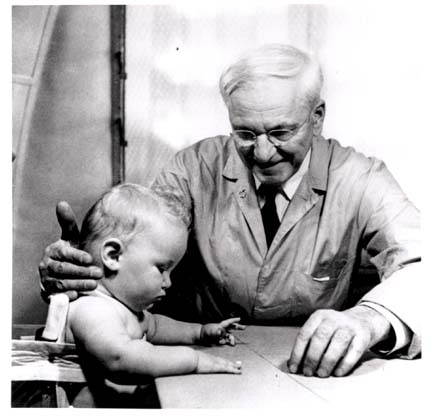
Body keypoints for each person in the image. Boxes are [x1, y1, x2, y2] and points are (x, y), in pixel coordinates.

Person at [39, 44, 421, 379]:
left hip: (307, 371)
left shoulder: (361, 178)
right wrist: (85, 266)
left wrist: (369, 318)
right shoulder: (194, 168)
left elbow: (422, 264)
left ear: (317, 117)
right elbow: (137, 246)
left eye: (281, 133)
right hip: (198, 364)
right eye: (246, 134)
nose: (264, 154)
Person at [62, 183, 243, 407]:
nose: (168, 282)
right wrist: (193, 360)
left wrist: (200, 333)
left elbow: (156, 326)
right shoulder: (92, 309)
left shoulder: (124, 308)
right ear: (114, 256)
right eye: (161, 269)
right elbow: (120, 358)